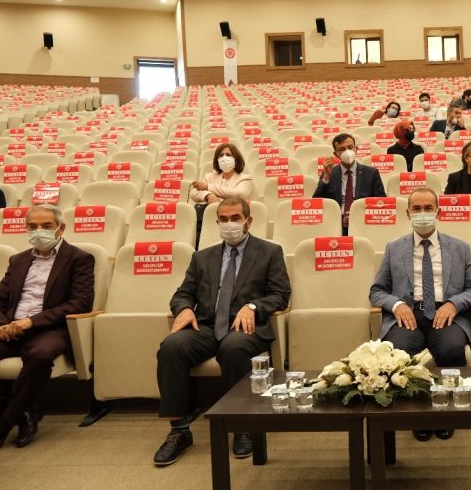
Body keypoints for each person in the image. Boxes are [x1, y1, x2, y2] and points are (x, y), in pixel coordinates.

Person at [154, 197, 291, 466]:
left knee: (233, 347)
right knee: (171, 346)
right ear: (216, 222)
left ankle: (242, 426)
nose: (230, 224)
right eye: (224, 219)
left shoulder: (270, 252)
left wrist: (253, 306)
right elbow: (183, 293)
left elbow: (280, 294)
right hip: (206, 326)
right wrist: (184, 308)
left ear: (248, 221)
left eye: (235, 218)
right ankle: (179, 430)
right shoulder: (202, 257)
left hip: (246, 327)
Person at [0, 205, 95, 449]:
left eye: (46, 226)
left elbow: (80, 303)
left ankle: (4, 424)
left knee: (40, 356)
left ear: (61, 228)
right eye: (32, 226)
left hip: (48, 330)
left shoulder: (79, 258)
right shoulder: (18, 260)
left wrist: (32, 321)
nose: (39, 231)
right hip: (9, 330)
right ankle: (26, 410)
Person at [369, 188, 471, 442]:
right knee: (399, 352)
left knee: (452, 349)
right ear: (407, 213)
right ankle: (417, 416)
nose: (423, 214)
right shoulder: (394, 248)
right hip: (408, 316)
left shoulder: (460, 247)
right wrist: (396, 305)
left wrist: (454, 303)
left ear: (438, 211)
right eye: (417, 209)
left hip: (446, 315)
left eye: (428, 208)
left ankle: (445, 415)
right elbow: (377, 291)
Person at [313, 133, 386, 234]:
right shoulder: (329, 172)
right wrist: (326, 178)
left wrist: (358, 216)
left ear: (356, 149)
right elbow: (316, 203)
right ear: (336, 154)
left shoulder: (371, 173)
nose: (347, 151)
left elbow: (382, 202)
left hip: (364, 222)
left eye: (350, 147)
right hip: (336, 223)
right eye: (342, 149)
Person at [190, 143, 254, 206]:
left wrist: (208, 187)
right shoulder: (210, 177)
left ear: (236, 160)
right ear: (217, 160)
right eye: (221, 155)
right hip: (210, 211)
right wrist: (208, 195)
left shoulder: (245, 179)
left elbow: (238, 195)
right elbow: (194, 193)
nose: (224, 158)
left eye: (228, 155)